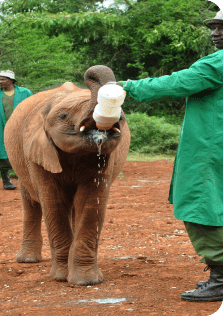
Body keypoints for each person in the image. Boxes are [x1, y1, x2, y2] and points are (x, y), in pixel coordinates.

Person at [116, 10, 223, 302]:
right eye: (213, 27)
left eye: (222, 28)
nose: (215, 33)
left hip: (210, 148)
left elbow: (176, 83)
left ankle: (221, 277)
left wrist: (124, 87)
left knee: (201, 205)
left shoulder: (218, 63)